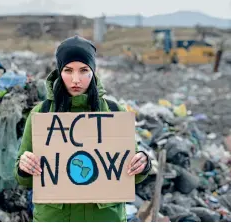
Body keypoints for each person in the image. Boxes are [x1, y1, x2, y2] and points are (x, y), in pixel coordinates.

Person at [14, 36, 152, 222]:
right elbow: (23, 179)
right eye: (68, 71)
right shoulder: (42, 114)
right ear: (59, 72)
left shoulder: (113, 111)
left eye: (84, 70)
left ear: (93, 72)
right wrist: (24, 166)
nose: (76, 79)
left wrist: (143, 163)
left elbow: (131, 174)